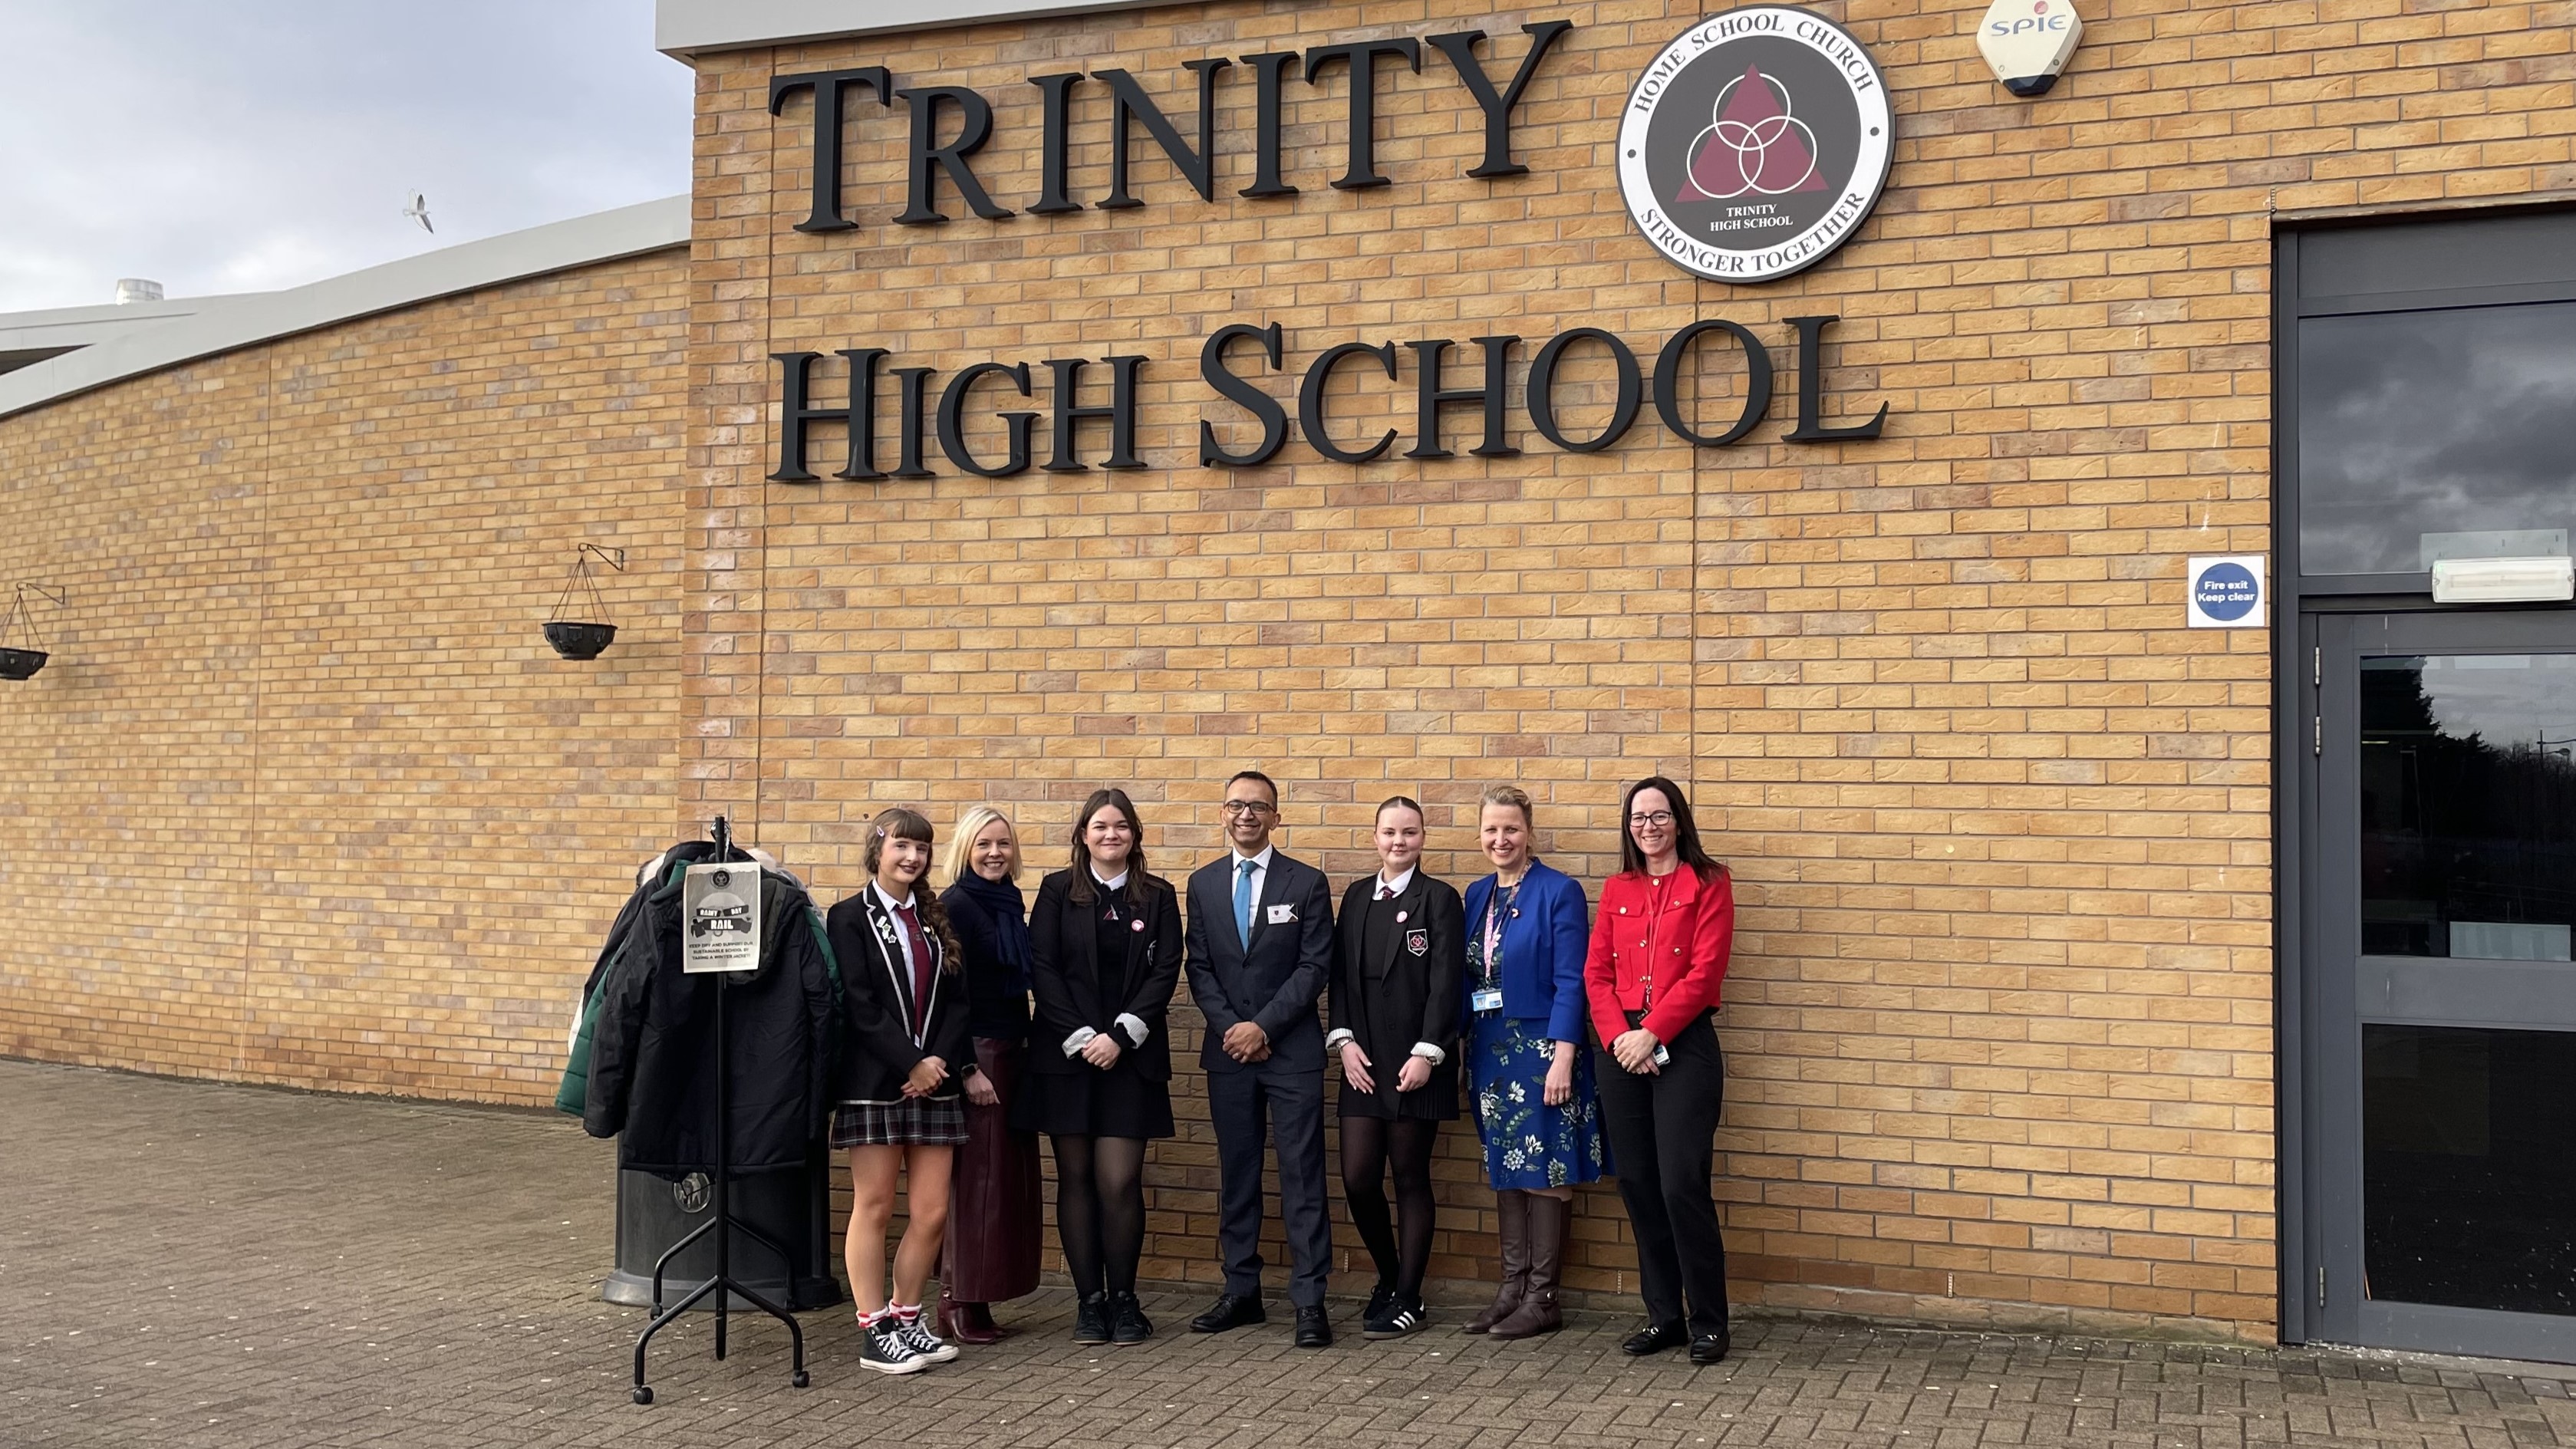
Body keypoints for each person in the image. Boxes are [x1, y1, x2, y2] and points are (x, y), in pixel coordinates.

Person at [1015, 789, 1184, 1346]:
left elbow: (1166, 971)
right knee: (1077, 1179)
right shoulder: (1057, 890)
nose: (1111, 834)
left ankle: (1126, 1299)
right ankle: (1089, 1303)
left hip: (1131, 1058)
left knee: (1119, 1179)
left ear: (1134, 834)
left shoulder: (1157, 895)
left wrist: (1120, 1034)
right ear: (1082, 833)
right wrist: (1085, 1036)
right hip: (1067, 1057)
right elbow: (1043, 965)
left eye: (1121, 826)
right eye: (1100, 826)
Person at [1181, 769, 1339, 1348]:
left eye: (1259, 806)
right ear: (1223, 813)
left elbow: (1314, 965)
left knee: (1302, 1175)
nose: (1247, 814)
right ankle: (1241, 1291)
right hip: (1229, 1055)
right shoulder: (1202, 883)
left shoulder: (1307, 882)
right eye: (1236, 805)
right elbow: (1198, 966)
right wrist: (1233, 1029)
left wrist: (1263, 1026)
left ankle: (1309, 1300)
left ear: (1277, 815)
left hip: (1290, 1051)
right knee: (1238, 1175)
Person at [1586, 776, 1737, 1365]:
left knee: (1681, 1184)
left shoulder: (1709, 881)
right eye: (1638, 817)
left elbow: (1705, 972)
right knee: (1639, 1183)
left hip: (1682, 1044)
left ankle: (1709, 1319)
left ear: (1679, 820)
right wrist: (1621, 1037)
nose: (1648, 826)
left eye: (1659, 815)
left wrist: (1652, 1031)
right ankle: (1664, 1316)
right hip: (1620, 1046)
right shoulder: (1617, 886)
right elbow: (1596, 972)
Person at [826, 807, 974, 1375]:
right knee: (876, 1204)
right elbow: (859, 1006)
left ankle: (908, 1315)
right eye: (903, 846)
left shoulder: (937, 919)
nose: (912, 857)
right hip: (874, 1083)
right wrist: (910, 1061)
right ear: (879, 848)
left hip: (935, 1083)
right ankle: (873, 1329)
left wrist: (935, 1061)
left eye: (922, 849)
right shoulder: (848, 917)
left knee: (933, 1210)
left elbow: (960, 1001)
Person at [1458, 783, 1606, 1339]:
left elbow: (1574, 980)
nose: (1502, 838)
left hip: (1543, 1049)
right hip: (1491, 1051)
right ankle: (1511, 1288)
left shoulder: (1558, 891)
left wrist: (1565, 1055)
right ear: (1481, 834)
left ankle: (1543, 1296)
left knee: (1546, 1169)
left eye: (1512, 828)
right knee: (1506, 1169)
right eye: (1492, 829)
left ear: (1530, 833)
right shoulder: (1476, 894)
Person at [1325, 795, 1464, 1339]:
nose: (1398, 841)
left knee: (1409, 1176)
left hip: (1416, 1064)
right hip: (1362, 1062)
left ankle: (1409, 1296)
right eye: (1389, 832)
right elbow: (1340, 977)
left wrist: (1430, 1052)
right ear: (1375, 836)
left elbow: (1446, 982)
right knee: (1358, 1177)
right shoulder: (1357, 896)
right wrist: (1343, 1042)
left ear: (1422, 837)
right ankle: (1388, 1276)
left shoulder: (1439, 899)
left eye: (1408, 832)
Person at [934, 805, 1043, 1345]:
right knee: (977, 1180)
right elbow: (950, 996)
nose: (995, 852)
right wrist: (969, 1068)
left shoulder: (1009, 900)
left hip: (1013, 1050)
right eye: (984, 844)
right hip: (980, 1054)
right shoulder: (957, 903)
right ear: (965, 850)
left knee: (1003, 1180)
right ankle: (954, 1299)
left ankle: (979, 1296)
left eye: (1003, 842)